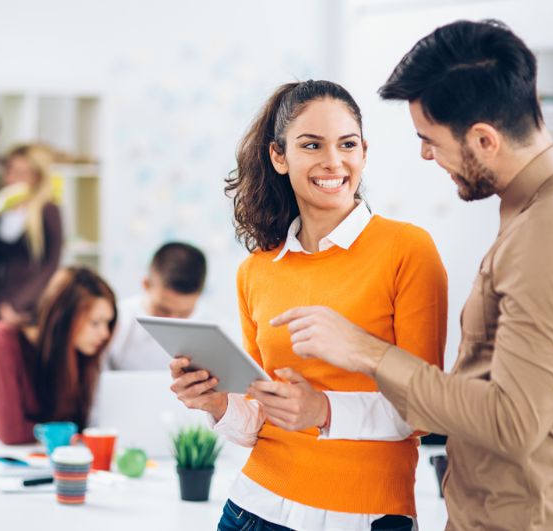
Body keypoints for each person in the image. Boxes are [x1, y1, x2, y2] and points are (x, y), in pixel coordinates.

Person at [271, 21, 553, 531]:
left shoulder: (547, 232)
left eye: (430, 140)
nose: (425, 155)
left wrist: (367, 351)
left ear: (484, 140)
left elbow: (514, 422)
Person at [170, 80, 447, 531]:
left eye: (348, 144)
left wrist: (322, 410)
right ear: (279, 156)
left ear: (363, 152)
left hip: (363, 515)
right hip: (252, 509)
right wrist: (217, 403)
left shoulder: (407, 249)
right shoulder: (257, 270)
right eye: (312, 144)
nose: (333, 161)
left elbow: (425, 409)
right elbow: (259, 415)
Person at [0, 266, 116, 500]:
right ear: (63, 318)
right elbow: (11, 432)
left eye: (108, 323)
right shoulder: (2, 339)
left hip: (30, 475)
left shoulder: (76, 355)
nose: (105, 334)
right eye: (95, 323)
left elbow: (74, 424)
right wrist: (63, 433)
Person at [0, 143, 63, 325]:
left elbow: (51, 264)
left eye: (22, 173)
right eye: (9, 171)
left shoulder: (48, 210)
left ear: (37, 177)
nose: (12, 179)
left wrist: (17, 305)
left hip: (34, 302)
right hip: (0, 302)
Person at [104, 242, 213, 370]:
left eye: (184, 313)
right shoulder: (112, 321)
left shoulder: (218, 332)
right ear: (146, 284)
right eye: (163, 309)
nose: (173, 321)